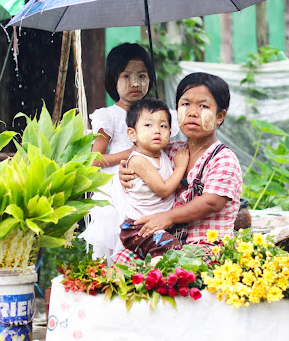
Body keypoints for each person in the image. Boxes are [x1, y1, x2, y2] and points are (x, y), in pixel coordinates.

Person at [115, 72, 242, 264]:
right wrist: (125, 170)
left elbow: (211, 203)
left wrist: (168, 217)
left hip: (206, 245)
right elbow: (139, 156)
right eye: (185, 104)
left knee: (173, 273)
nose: (192, 112)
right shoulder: (169, 151)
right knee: (120, 263)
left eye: (203, 106)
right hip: (162, 243)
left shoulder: (224, 159)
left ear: (219, 116)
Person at [79, 43, 178, 261]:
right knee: (124, 243)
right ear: (113, 80)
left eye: (142, 75)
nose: (135, 83)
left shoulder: (158, 114)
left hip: (154, 185)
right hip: (122, 188)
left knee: (155, 241)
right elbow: (95, 160)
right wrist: (131, 153)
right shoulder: (110, 116)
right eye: (126, 76)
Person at [119, 98, 189, 259]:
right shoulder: (138, 160)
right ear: (132, 133)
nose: (157, 130)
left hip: (156, 226)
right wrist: (180, 167)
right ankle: (153, 280)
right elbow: (164, 190)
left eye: (163, 126)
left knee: (166, 252)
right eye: (148, 125)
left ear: (170, 134)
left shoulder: (161, 154)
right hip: (137, 228)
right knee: (172, 250)